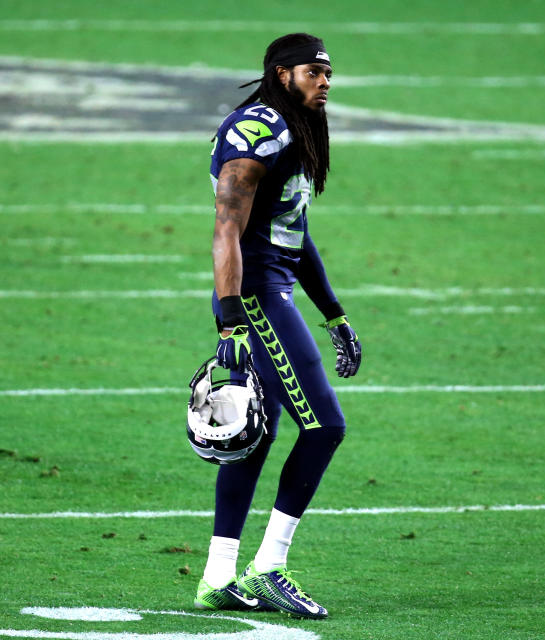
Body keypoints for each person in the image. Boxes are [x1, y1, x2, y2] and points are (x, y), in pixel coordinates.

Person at [193, 32, 361, 620]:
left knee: (256, 434)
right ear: (281, 72)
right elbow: (226, 229)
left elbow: (293, 230)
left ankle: (217, 578)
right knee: (324, 428)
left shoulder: (297, 125)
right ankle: (268, 567)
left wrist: (333, 312)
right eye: (314, 71)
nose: (325, 82)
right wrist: (231, 320)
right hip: (258, 297)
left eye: (329, 73)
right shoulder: (260, 130)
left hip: (276, 287)